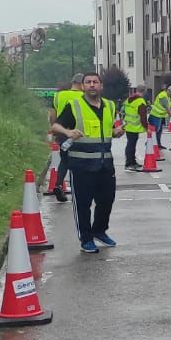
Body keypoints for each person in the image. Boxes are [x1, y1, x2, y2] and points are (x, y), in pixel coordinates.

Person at [50, 73, 124, 253]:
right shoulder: (74, 106)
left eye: (95, 82)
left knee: (107, 201)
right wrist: (68, 133)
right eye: (88, 82)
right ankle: (86, 239)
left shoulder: (110, 106)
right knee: (83, 205)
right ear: (83, 86)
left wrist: (117, 132)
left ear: (101, 86)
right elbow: (55, 126)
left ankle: (99, 231)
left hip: (105, 165)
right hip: (81, 166)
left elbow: (110, 131)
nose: (92, 85)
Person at [49, 74, 86, 200]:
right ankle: (78, 187)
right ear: (82, 84)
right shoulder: (84, 97)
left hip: (63, 133)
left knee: (64, 160)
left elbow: (53, 115)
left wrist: (55, 130)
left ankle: (59, 184)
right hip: (78, 134)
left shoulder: (59, 95)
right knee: (80, 161)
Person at [122, 89, 148, 171]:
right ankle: (129, 163)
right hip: (134, 127)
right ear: (143, 92)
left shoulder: (128, 100)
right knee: (131, 145)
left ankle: (132, 162)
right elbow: (143, 117)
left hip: (128, 125)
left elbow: (123, 111)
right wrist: (147, 127)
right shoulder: (140, 101)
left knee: (130, 145)